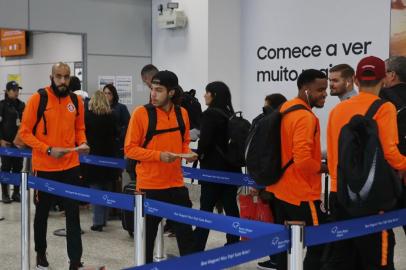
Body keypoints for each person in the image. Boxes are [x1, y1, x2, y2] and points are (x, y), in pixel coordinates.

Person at [325, 56, 406, 270]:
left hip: (339, 193)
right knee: (378, 257)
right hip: (371, 195)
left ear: (357, 81)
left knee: (344, 256)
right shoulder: (385, 108)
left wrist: (335, 186)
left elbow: (333, 155)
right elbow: (390, 154)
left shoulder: (336, 111)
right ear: (383, 80)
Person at [19, 62, 89, 270]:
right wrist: (48, 149)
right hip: (44, 168)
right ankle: (41, 254)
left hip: (70, 167)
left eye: (66, 77)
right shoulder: (38, 99)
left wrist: (82, 142)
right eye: (58, 76)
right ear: (51, 77)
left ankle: (75, 261)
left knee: (73, 216)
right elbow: (24, 133)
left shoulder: (76, 101)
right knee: (41, 215)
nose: (62, 81)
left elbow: (80, 128)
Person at [124, 70, 197, 263]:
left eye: (159, 90)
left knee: (186, 238)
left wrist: (187, 153)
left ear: (171, 93)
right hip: (150, 187)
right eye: (152, 89)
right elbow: (130, 149)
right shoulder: (141, 114)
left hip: (176, 185)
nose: (153, 94)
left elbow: (184, 141)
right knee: (146, 243)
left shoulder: (182, 114)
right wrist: (158, 156)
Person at [266, 69, 328, 270]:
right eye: (320, 90)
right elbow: (302, 161)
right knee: (321, 243)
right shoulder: (305, 117)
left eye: (325, 89)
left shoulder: (286, 108)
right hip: (302, 193)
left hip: (281, 189)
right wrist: (323, 168)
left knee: (287, 245)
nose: (324, 94)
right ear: (305, 89)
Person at [193, 81, 241, 252]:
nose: (204, 95)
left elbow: (205, 141)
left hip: (213, 170)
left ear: (213, 95)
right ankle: (234, 242)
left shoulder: (210, 114)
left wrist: (198, 154)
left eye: (207, 92)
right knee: (231, 207)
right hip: (231, 169)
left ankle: (197, 245)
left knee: (205, 208)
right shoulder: (230, 114)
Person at [254, 93, 287, 270]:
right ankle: (280, 260)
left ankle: (277, 260)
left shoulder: (265, 124)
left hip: (271, 183)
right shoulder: (286, 122)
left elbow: (262, 156)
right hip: (285, 184)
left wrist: (259, 183)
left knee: (276, 223)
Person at [82, 90, 117, 232]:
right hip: (109, 158)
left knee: (95, 190)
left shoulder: (87, 116)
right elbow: (116, 134)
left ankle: (97, 222)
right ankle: (104, 219)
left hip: (93, 157)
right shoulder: (112, 116)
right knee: (107, 189)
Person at [0, 81, 25, 203]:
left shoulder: (21, 105)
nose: (16, 92)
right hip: (6, 144)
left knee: (17, 168)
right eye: (14, 90)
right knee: (5, 168)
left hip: (18, 145)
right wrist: (0, 140)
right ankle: (5, 194)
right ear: (8, 91)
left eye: (17, 90)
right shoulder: (2, 105)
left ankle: (16, 192)